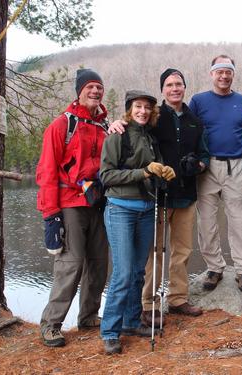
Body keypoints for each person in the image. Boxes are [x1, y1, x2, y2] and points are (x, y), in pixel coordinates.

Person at [36, 69, 109, 347]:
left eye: (99, 87)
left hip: (98, 204)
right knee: (70, 264)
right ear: (79, 91)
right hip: (69, 204)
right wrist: (51, 215)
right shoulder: (61, 125)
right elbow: (46, 172)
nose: (95, 91)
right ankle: (51, 323)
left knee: (98, 263)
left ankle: (89, 315)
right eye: (90, 86)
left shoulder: (104, 126)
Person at [99, 90, 175, 355]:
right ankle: (110, 330)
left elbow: (156, 170)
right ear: (129, 110)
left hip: (146, 209)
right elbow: (106, 176)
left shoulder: (150, 137)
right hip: (120, 209)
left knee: (139, 272)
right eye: (137, 107)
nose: (142, 111)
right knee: (122, 272)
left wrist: (164, 172)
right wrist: (143, 172)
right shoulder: (117, 135)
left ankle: (131, 322)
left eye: (146, 107)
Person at [140, 69, 210, 325]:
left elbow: (205, 155)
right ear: (163, 90)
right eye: (169, 85)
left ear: (184, 87)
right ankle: (149, 304)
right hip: (159, 194)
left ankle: (178, 298)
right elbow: (135, 139)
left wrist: (199, 166)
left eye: (179, 84)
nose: (175, 88)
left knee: (182, 251)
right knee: (155, 252)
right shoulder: (153, 117)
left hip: (186, 195)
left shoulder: (194, 119)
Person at [189, 55, 242, 294]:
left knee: (239, 221)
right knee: (206, 222)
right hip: (207, 168)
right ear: (211, 74)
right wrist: (194, 163)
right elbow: (190, 132)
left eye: (228, 71)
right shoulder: (198, 101)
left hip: (237, 165)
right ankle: (214, 267)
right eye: (220, 71)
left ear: (233, 74)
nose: (224, 76)